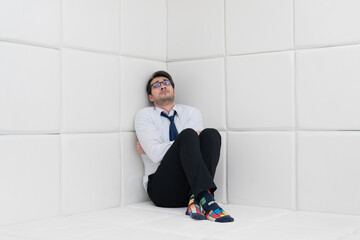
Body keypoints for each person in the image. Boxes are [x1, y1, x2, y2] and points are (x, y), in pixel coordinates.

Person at [134, 70, 234, 223]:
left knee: (211, 135)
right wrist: (183, 142)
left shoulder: (191, 112)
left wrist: (159, 147)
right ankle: (207, 200)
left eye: (166, 83)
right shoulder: (145, 115)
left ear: (174, 91)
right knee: (188, 135)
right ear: (151, 97)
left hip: (189, 188)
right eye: (156, 85)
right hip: (162, 191)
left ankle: (196, 199)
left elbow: (198, 148)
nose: (162, 86)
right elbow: (155, 155)